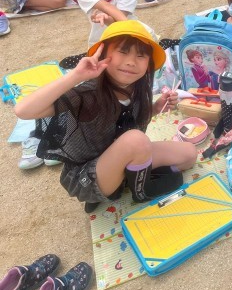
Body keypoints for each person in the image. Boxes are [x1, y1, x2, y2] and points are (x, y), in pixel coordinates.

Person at [14, 20, 198, 213]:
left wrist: (155, 107)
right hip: (89, 175)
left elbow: (129, 122)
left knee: (189, 155)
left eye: (141, 55)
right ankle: (141, 192)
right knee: (136, 140)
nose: (131, 61)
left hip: (126, 155)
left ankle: (130, 178)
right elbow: (23, 110)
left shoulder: (138, 87)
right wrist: (76, 76)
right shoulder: (87, 94)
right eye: (123, 51)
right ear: (103, 55)